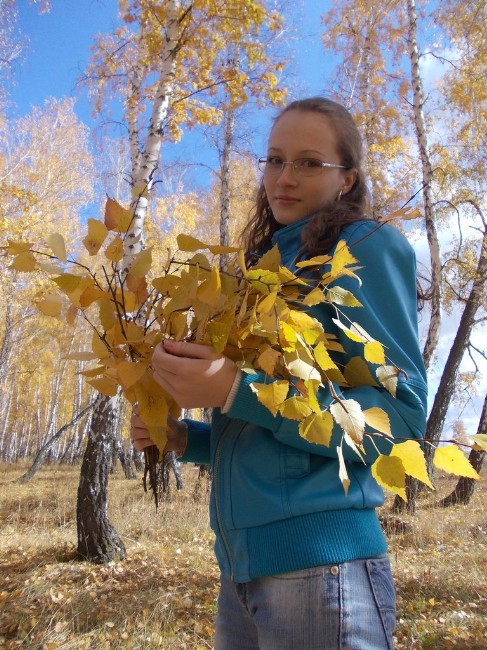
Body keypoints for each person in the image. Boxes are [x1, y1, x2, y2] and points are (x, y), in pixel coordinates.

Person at [131, 97, 428, 650]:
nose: (284, 177)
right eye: (274, 160)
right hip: (241, 569)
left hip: (322, 568)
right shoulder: (264, 271)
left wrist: (234, 389)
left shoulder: (364, 247)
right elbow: (267, 436)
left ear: (347, 178)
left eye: (309, 162)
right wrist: (187, 439)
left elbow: (399, 419)